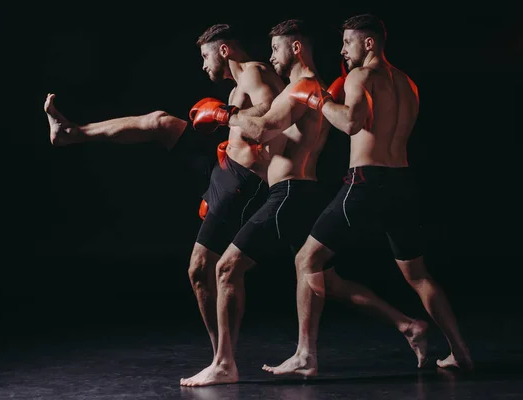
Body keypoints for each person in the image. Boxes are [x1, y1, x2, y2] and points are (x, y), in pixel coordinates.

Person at [180, 18, 428, 387]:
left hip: (290, 193)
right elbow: (275, 134)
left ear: (296, 47)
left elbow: (263, 127)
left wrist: (224, 115)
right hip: (301, 191)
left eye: (276, 49)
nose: (271, 57)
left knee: (226, 268)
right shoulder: (309, 88)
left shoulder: (301, 87)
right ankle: (408, 325)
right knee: (325, 279)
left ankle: (224, 364)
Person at [45, 24, 285, 361]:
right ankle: (72, 132)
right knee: (160, 122)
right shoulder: (239, 83)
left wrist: (225, 115)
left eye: (206, 56)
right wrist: (227, 125)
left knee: (200, 270)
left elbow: (271, 118)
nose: (204, 65)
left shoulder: (254, 73)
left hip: (242, 182)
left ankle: (223, 358)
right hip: (223, 169)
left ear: (225, 50)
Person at [265, 13, 473, 376]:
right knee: (419, 275)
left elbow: (351, 123)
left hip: (366, 181)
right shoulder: (408, 84)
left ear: (369, 43)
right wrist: (331, 96)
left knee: (306, 261)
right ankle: (460, 352)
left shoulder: (360, 77)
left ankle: (304, 355)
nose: (343, 50)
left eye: (348, 43)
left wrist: (316, 101)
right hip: (402, 182)